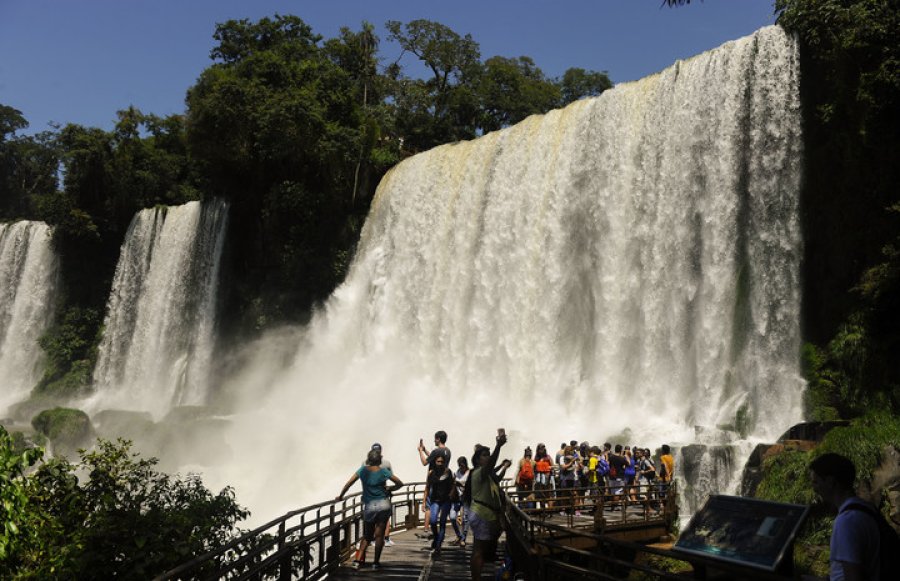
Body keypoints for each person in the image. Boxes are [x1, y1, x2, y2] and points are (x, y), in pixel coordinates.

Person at [809, 453, 881, 581]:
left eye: (816, 482)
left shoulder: (847, 522)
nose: (814, 488)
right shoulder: (866, 508)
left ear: (830, 482)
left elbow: (853, 577)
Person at [337, 449, 404, 570]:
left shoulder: (362, 471)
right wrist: (390, 489)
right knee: (379, 536)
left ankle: (357, 561)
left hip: (370, 506)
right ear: (379, 460)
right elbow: (400, 483)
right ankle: (375, 563)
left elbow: (348, 483)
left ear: (368, 460)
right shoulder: (384, 471)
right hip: (383, 504)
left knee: (367, 536)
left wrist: (341, 496)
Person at [468, 431, 507, 581]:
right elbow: (491, 464)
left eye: (488, 454)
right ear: (477, 460)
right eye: (485, 455)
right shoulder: (479, 472)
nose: (488, 457)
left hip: (487, 515)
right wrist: (498, 445)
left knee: (482, 551)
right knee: (478, 551)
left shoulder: (488, 475)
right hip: (481, 514)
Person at [418, 430, 451, 536]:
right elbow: (434, 457)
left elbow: (424, 462)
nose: (434, 440)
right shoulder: (447, 451)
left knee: (429, 505)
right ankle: (439, 531)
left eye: (435, 438)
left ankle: (427, 530)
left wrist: (420, 451)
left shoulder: (437, 451)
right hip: (444, 482)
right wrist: (425, 450)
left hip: (434, 480)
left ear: (438, 439)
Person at [425, 454, 455, 554]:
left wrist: (451, 494)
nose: (440, 463)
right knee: (433, 521)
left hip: (446, 500)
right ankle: (437, 537)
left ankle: (438, 545)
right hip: (435, 500)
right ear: (435, 462)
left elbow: (453, 484)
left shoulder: (447, 472)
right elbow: (427, 487)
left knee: (442, 522)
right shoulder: (431, 473)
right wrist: (424, 501)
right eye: (438, 461)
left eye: (442, 461)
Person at [368, 443, 395, 546]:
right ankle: (386, 539)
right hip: (383, 493)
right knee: (385, 516)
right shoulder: (386, 463)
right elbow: (392, 476)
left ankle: (374, 539)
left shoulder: (366, 464)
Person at [449, 456, 470, 546]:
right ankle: (459, 535)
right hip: (457, 497)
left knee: (465, 518)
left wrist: (460, 484)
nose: (461, 467)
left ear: (465, 464)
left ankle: (463, 538)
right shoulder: (457, 472)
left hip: (466, 497)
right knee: (453, 517)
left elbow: (470, 487)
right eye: (459, 465)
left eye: (462, 465)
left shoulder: (470, 473)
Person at [533, 443, 554, 509]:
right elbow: (534, 468)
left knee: (549, 494)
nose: (542, 450)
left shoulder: (548, 457)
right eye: (541, 448)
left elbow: (553, 465)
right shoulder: (536, 458)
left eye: (543, 448)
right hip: (540, 479)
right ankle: (543, 510)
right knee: (541, 495)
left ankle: (550, 511)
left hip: (548, 478)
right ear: (538, 450)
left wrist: (548, 467)